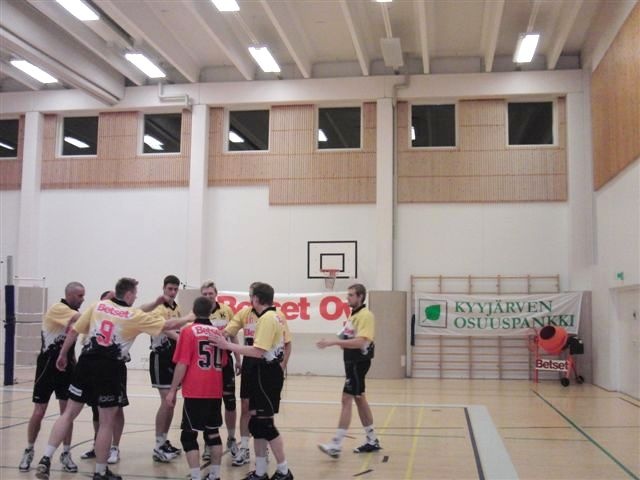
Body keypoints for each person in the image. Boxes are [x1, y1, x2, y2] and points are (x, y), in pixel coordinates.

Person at [34, 277, 195, 480]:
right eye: (135, 294)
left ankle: (46, 458)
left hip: (86, 362)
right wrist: (190, 316)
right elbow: (168, 324)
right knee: (106, 422)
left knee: (68, 414)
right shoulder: (133, 315)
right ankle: (100, 471)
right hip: (109, 368)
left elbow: (74, 331)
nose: (136, 297)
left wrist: (63, 354)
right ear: (128, 294)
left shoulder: (98, 306)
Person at [212, 282, 293, 480]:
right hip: (261, 372)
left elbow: (258, 351)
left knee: (265, 425)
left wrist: (228, 346)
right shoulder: (271, 316)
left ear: (256, 298)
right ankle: (260, 471)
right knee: (256, 424)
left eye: (251, 296)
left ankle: (284, 471)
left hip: (267, 374)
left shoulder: (267, 318)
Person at [19, 282, 85, 473]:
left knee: (67, 413)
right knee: (39, 411)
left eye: (83, 296)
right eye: (80, 296)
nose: (82, 299)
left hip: (66, 367)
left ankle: (66, 453)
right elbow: (82, 319)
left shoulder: (73, 313)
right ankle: (29, 450)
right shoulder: (59, 308)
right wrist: (104, 311)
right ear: (69, 295)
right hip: (48, 366)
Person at [316, 283, 381, 458]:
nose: (348, 298)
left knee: (346, 399)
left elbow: (361, 341)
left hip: (358, 364)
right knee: (359, 398)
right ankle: (372, 439)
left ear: (360, 296)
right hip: (351, 363)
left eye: (351, 295)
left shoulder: (366, 316)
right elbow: (350, 339)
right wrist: (342, 340)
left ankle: (336, 444)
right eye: (348, 295)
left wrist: (333, 342)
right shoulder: (354, 315)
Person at [166, 296, 225, 480]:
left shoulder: (188, 331)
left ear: (194, 310)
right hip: (215, 390)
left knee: (189, 436)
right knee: (213, 433)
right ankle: (215, 475)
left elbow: (182, 363)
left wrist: (172, 390)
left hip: (195, 390)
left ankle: (196, 476)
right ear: (211, 311)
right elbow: (223, 362)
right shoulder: (218, 332)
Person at [80, 291, 125, 465]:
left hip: (115, 367)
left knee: (117, 408)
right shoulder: (94, 319)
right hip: (94, 367)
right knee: (96, 409)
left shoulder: (122, 318)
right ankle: (97, 445)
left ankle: (115, 447)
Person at [200, 281, 241, 462]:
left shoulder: (226, 310)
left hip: (225, 362)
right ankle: (209, 442)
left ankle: (231, 439)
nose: (208, 296)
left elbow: (233, 335)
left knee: (230, 402)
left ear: (216, 294)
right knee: (210, 403)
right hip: (207, 365)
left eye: (211, 293)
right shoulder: (198, 312)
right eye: (205, 294)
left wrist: (238, 359)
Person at [148, 275, 183, 462]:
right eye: (170, 288)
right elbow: (162, 328)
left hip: (174, 356)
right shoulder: (158, 308)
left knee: (172, 401)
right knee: (166, 400)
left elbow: (180, 327)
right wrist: (180, 338)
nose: (172, 292)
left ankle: (163, 440)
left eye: (175, 289)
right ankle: (158, 445)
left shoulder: (177, 308)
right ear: (163, 288)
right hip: (160, 356)